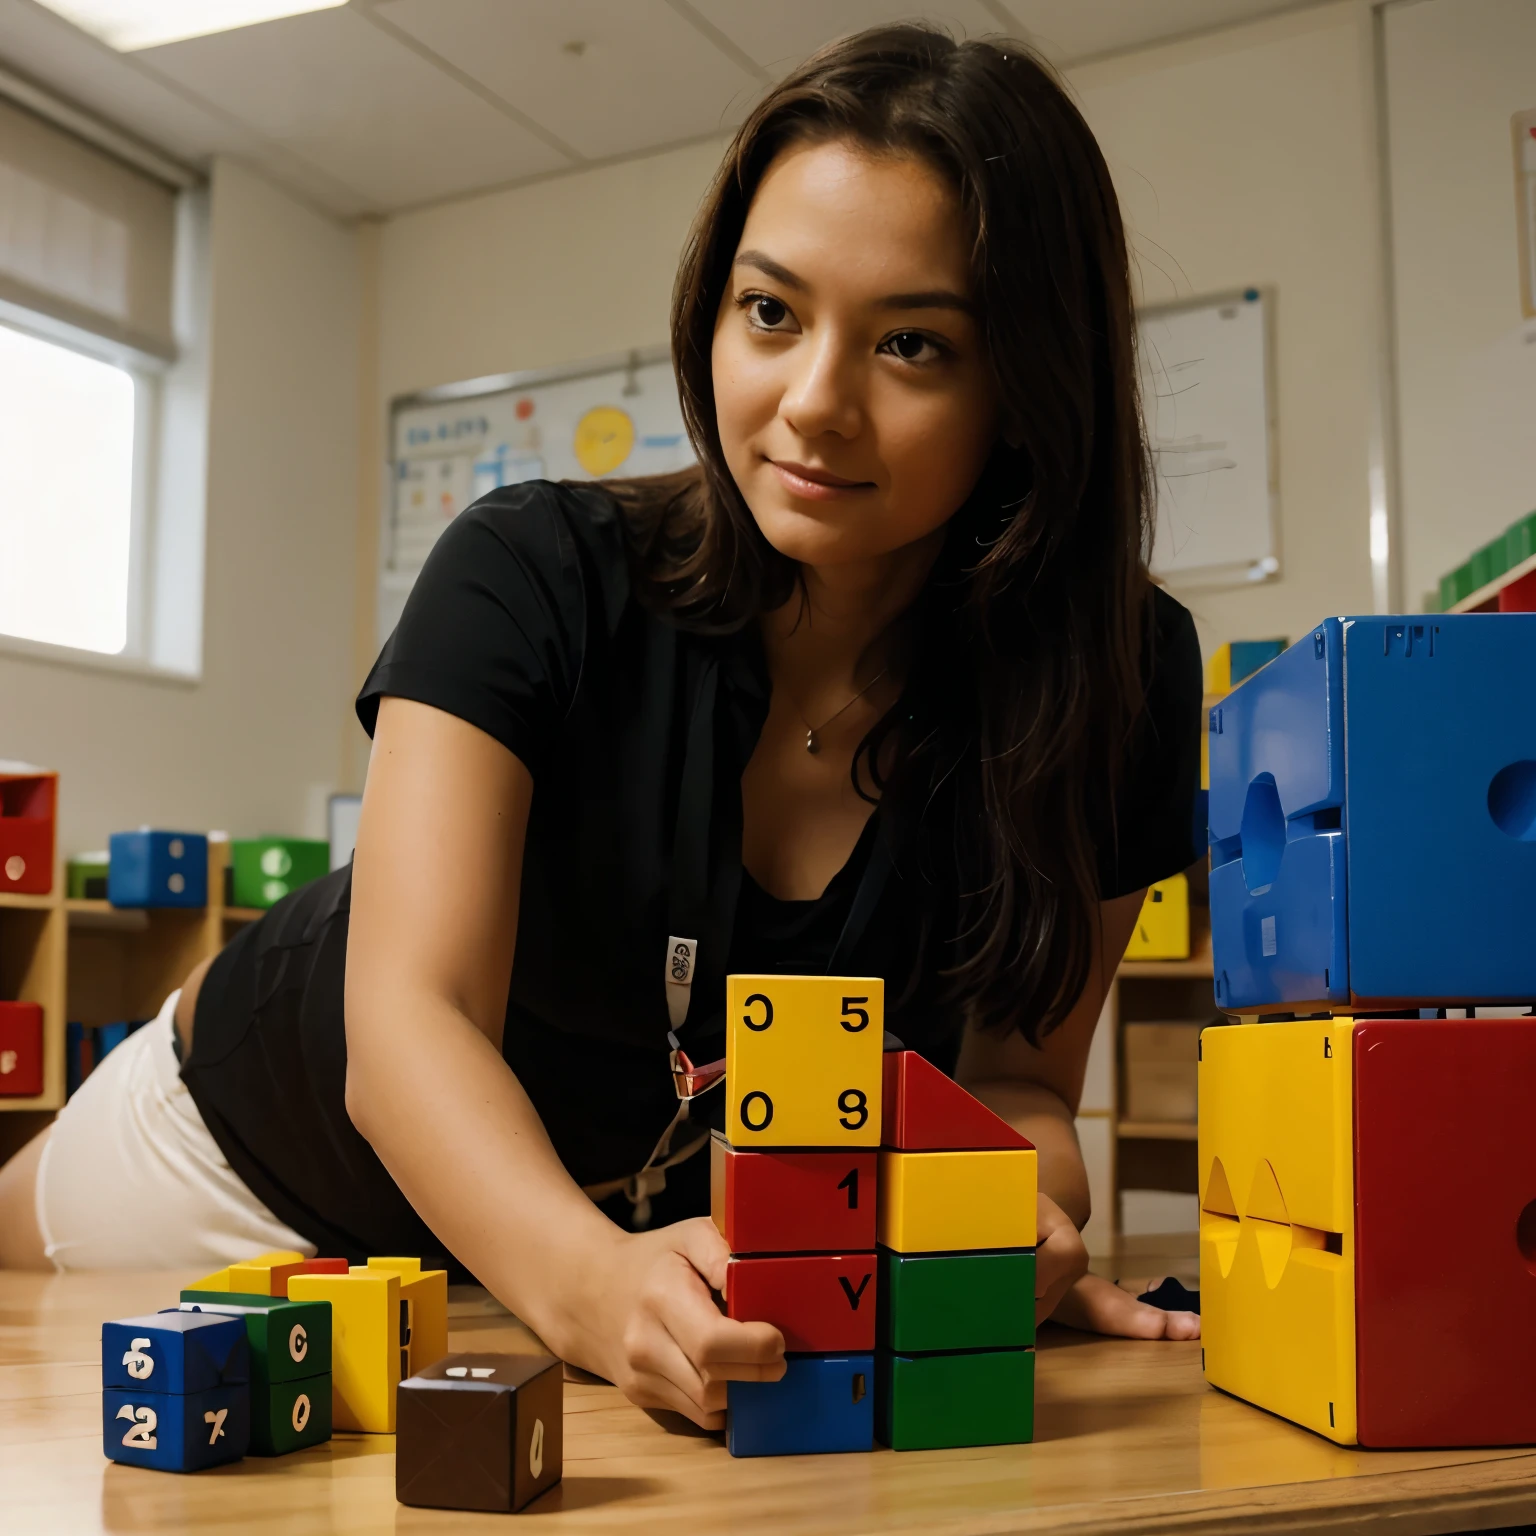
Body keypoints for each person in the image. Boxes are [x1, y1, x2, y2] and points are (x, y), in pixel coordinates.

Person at [0, 25, 1202, 1427]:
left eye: (912, 343)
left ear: (1029, 391)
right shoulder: (532, 567)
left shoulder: (1114, 674)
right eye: (772, 313)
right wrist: (586, 1283)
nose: (815, 401)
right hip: (241, 1169)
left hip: (603, 1278)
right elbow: (407, 1027)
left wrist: (1010, 1223)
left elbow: (1018, 1084)